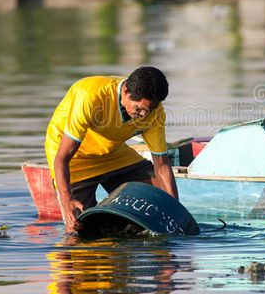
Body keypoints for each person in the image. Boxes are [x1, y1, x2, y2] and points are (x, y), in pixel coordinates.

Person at [45, 66, 178, 234]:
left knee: (159, 198)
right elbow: (62, 158)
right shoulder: (91, 96)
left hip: (112, 152)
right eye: (138, 109)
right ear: (125, 91)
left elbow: (161, 164)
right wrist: (66, 201)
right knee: (80, 228)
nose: (144, 114)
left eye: (149, 109)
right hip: (74, 158)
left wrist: (175, 211)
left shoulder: (155, 113)